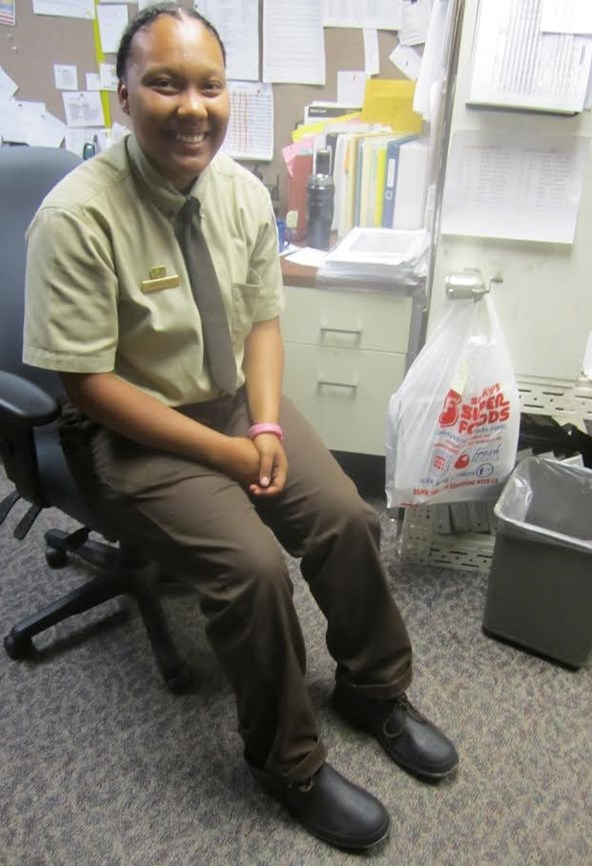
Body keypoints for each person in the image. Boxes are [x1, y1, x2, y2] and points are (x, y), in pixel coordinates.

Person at [23, 3, 458, 851]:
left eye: (209, 85)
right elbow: (90, 383)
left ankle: (372, 690)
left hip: (230, 403)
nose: (193, 105)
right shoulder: (75, 218)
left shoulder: (239, 189)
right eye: (165, 83)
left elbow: (262, 320)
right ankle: (287, 762)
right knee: (256, 572)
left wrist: (261, 424)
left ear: (230, 96)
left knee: (344, 518)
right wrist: (226, 453)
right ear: (124, 96)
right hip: (134, 428)